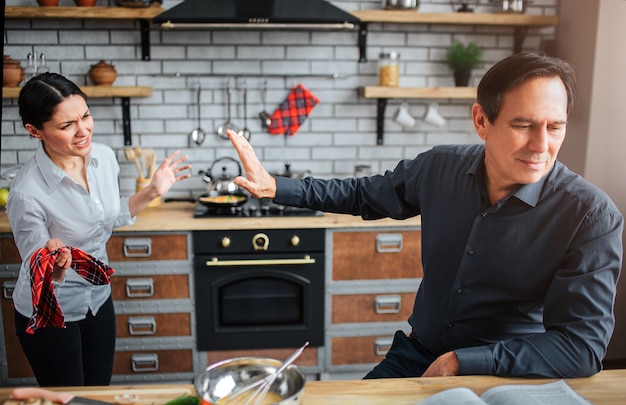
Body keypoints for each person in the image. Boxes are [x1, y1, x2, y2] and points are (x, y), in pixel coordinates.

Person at [226, 52, 624, 379]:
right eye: (524, 125)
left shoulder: (590, 216)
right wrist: (276, 187)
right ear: (481, 121)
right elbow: (364, 194)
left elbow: (581, 347)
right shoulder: (438, 168)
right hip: (417, 356)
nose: (542, 145)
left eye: (556, 127)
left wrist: (464, 361)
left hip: (513, 372)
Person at [6, 72, 191, 386]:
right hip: (51, 310)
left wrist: (152, 191)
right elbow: (41, 271)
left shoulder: (103, 158)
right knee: (70, 397)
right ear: (34, 131)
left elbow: (109, 215)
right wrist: (56, 263)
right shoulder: (26, 192)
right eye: (66, 126)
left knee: (98, 391)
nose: (83, 132)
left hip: (97, 297)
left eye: (86, 116)